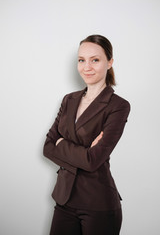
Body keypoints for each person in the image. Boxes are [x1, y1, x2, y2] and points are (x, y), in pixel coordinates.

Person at [43, 34, 130, 235]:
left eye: (95, 60)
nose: (87, 67)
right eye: (81, 60)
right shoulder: (69, 100)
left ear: (110, 62)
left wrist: (62, 143)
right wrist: (84, 152)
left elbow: (93, 160)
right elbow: (48, 148)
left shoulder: (118, 106)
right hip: (64, 200)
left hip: (98, 203)